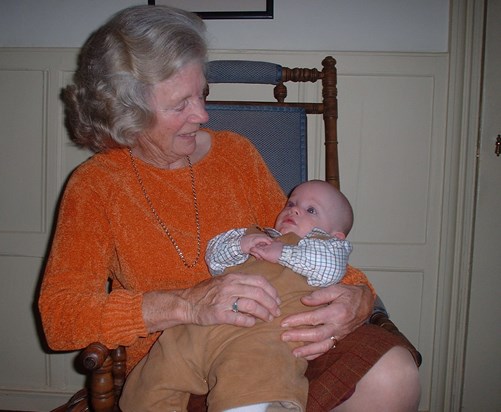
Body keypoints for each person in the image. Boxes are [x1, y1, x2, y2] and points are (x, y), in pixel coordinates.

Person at [38, 5, 421, 412]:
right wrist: (186, 304)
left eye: (201, 93)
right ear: (128, 114)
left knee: (393, 374)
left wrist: (361, 295)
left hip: (279, 337)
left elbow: (303, 236)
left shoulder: (236, 155)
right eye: (179, 104)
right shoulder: (96, 186)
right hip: (177, 371)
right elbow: (61, 318)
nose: (202, 115)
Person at [121, 180, 355, 411]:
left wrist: (283, 252)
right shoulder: (259, 236)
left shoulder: (325, 247)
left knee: (250, 376)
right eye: (291, 202)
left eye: (311, 210)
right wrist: (241, 245)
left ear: (336, 236)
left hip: (260, 332)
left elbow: (330, 268)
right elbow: (214, 258)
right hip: (199, 326)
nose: (294, 209)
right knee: (162, 364)